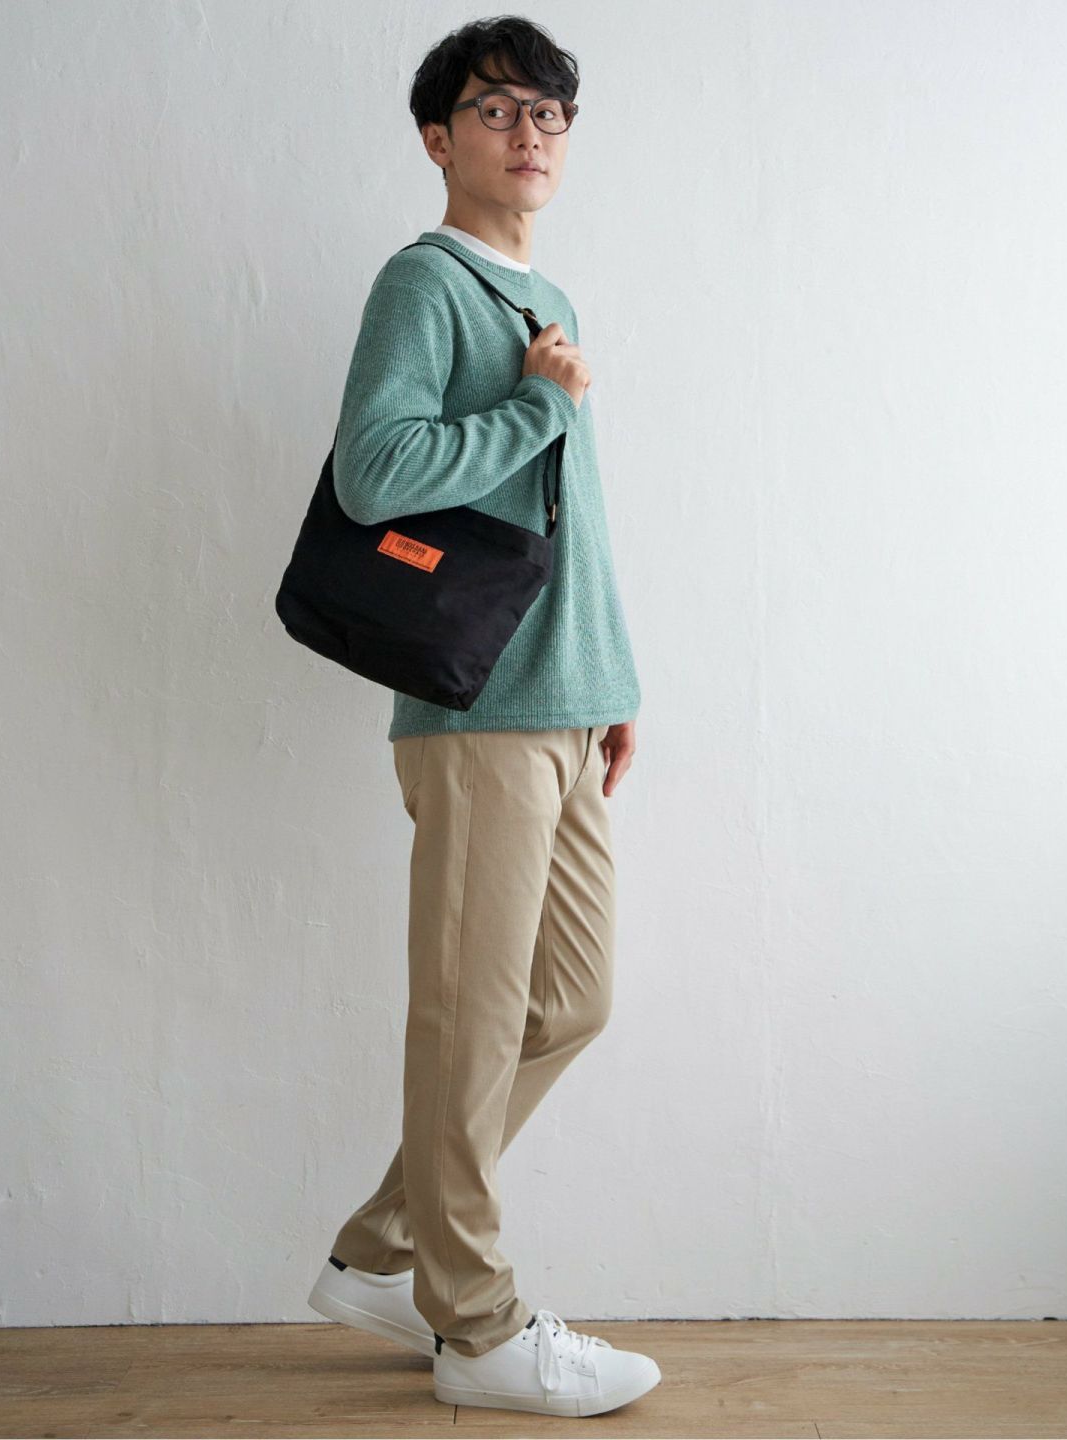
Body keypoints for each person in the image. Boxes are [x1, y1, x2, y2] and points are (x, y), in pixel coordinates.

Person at [304, 15, 659, 1418]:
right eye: (498, 110)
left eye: (550, 114)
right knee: (470, 1018)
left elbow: (577, 519)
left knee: (571, 999)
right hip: (478, 715)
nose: (530, 135)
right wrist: (532, 408)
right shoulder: (425, 284)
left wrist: (613, 681)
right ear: (439, 138)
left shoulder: (544, 291)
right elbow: (375, 473)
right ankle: (476, 1326)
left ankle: (381, 1251)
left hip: (565, 704)